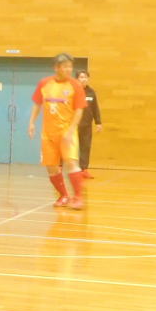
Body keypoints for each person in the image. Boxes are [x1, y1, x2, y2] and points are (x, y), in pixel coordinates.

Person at [28, 53, 87, 210]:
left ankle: (78, 197)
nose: (69, 69)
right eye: (65, 66)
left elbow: (79, 110)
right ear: (56, 68)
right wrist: (32, 122)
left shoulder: (75, 85)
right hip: (48, 133)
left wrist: (71, 130)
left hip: (67, 132)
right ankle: (63, 196)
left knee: (71, 163)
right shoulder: (44, 83)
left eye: (70, 66)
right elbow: (37, 103)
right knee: (51, 167)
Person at [75, 70, 102, 179]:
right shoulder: (72, 91)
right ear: (77, 79)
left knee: (85, 147)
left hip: (86, 126)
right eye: (81, 77)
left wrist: (98, 122)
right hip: (73, 125)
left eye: (85, 77)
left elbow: (95, 108)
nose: (83, 79)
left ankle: (84, 170)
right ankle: (63, 168)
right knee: (70, 148)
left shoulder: (91, 92)